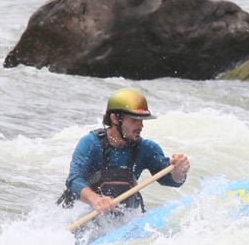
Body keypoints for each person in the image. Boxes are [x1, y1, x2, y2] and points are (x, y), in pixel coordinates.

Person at [60, 88, 190, 215]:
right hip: (80, 213)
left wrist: (179, 171)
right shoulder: (91, 143)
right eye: (134, 120)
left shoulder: (147, 148)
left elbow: (171, 180)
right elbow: (74, 180)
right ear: (115, 119)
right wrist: (97, 200)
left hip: (119, 216)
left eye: (141, 120)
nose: (140, 126)